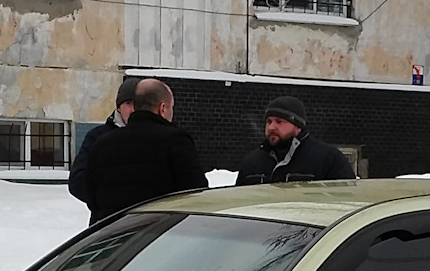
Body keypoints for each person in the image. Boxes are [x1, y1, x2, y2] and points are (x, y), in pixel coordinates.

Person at [80, 78, 208, 223]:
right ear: (163, 108)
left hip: (112, 233)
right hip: (159, 233)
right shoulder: (176, 141)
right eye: (172, 107)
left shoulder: (102, 143)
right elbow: (195, 193)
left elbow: (91, 195)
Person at [234, 96, 356, 185]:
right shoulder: (252, 162)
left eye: (279, 121)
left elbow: (347, 200)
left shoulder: (328, 159)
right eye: (269, 121)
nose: (271, 127)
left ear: (298, 127)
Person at [67, 76, 139, 208]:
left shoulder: (155, 137)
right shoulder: (97, 136)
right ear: (119, 107)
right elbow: (77, 181)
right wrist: (107, 202)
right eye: (128, 103)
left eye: (137, 104)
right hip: (107, 221)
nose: (133, 109)